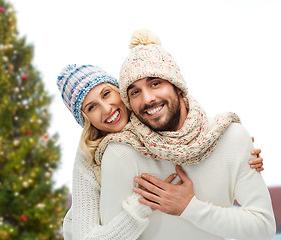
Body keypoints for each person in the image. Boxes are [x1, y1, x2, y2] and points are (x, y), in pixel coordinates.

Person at [96, 29, 276, 239]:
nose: (147, 99)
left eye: (155, 83)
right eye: (135, 92)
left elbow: (263, 228)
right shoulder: (121, 152)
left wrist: (189, 208)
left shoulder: (230, 137)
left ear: (178, 87)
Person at [57, 64, 265, 239]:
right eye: (92, 107)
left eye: (106, 94)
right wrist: (143, 204)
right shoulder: (91, 155)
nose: (106, 108)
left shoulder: (155, 121)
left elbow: (197, 133)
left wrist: (236, 147)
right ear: (86, 120)